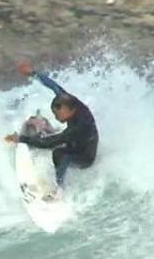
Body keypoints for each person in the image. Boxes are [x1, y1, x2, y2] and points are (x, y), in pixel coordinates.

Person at [5, 59, 99, 188]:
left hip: (85, 155)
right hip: (76, 140)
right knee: (57, 137)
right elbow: (54, 86)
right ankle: (48, 131)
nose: (56, 117)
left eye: (57, 114)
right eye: (54, 114)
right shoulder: (68, 100)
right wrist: (33, 73)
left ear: (67, 110)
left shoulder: (80, 125)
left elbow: (49, 143)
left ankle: (59, 188)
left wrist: (21, 139)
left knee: (60, 154)